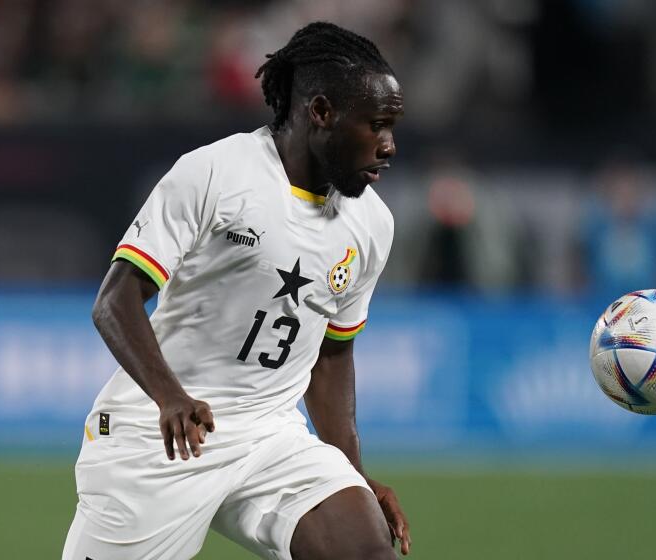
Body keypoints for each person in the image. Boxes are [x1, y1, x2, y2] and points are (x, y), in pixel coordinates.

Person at [62, 22, 409, 560]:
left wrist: (354, 475)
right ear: (320, 112)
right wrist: (171, 396)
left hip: (270, 436)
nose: (389, 145)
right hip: (162, 436)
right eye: (376, 125)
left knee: (366, 551)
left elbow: (332, 354)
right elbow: (115, 302)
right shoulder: (217, 174)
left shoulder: (372, 225)